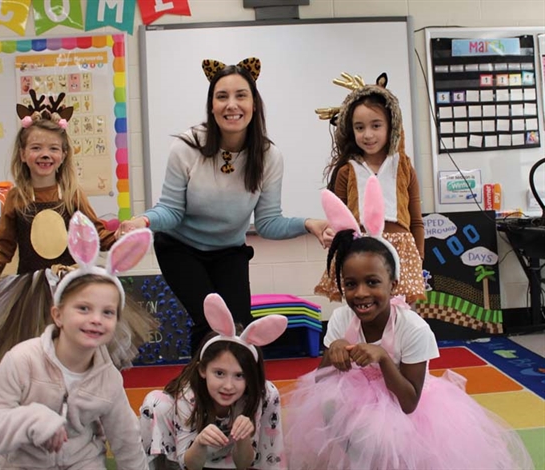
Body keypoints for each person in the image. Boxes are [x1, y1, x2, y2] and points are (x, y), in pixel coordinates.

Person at [283, 178, 533, 469]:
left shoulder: (412, 328)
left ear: (394, 284)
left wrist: (384, 359)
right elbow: (322, 384)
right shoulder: (341, 319)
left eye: (372, 282)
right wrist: (332, 352)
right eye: (350, 284)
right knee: (342, 424)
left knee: (386, 443)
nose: (361, 293)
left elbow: (409, 403)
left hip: (407, 415)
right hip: (354, 408)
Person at [120, 57, 329, 354]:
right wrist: (143, 221)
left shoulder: (268, 157)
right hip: (180, 249)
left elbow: (269, 222)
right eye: (222, 97)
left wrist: (310, 223)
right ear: (212, 106)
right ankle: (202, 397)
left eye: (241, 95)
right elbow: (171, 210)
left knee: (240, 330)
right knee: (211, 326)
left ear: (254, 104)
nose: (232, 105)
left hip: (228, 252)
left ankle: (244, 397)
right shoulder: (186, 147)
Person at [0, 90, 152, 379]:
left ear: (63, 155)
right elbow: (3, 247)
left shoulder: (72, 195)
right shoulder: (16, 198)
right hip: (31, 292)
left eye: (53, 149)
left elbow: (97, 233)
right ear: (23, 154)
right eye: (36, 148)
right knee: (37, 357)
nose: (45, 154)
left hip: (74, 286)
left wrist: (123, 238)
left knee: (77, 352)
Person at [0, 211, 152, 470]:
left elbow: (127, 444)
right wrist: (32, 419)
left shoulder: (107, 378)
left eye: (108, 312)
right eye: (83, 309)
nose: (96, 319)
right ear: (58, 315)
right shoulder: (22, 360)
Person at [139, 293, 288, 470]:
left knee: (269, 391)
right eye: (219, 373)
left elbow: (244, 464)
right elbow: (190, 465)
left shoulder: (263, 394)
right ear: (202, 369)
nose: (228, 385)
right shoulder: (188, 394)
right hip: (192, 457)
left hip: (235, 459)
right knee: (155, 402)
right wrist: (200, 442)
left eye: (239, 375)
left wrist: (244, 439)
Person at [314, 73, 426, 304]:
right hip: (360, 251)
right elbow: (340, 221)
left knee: (400, 314)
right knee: (362, 306)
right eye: (359, 127)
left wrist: (419, 257)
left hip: (402, 253)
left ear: (391, 126)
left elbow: (416, 220)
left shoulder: (404, 168)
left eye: (376, 125)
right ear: (350, 130)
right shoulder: (347, 170)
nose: (368, 134)